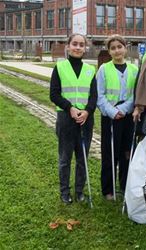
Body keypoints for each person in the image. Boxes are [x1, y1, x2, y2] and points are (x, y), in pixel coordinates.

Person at [50, 33, 97, 204]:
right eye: (74, 44)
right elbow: (54, 94)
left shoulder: (90, 70)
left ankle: (79, 191)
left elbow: (93, 96)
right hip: (66, 119)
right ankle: (64, 192)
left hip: (85, 120)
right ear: (68, 46)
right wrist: (69, 108)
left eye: (81, 44)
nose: (78, 47)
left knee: (82, 158)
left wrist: (87, 111)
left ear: (85, 48)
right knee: (65, 158)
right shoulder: (60, 67)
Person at [96, 35, 138, 200]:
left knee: (127, 152)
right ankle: (108, 189)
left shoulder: (134, 70)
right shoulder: (104, 69)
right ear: (109, 51)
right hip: (110, 116)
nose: (117, 50)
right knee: (109, 152)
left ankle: (125, 184)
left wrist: (124, 109)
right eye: (112, 48)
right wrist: (113, 112)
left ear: (125, 48)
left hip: (128, 116)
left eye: (119, 46)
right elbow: (99, 95)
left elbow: (135, 94)